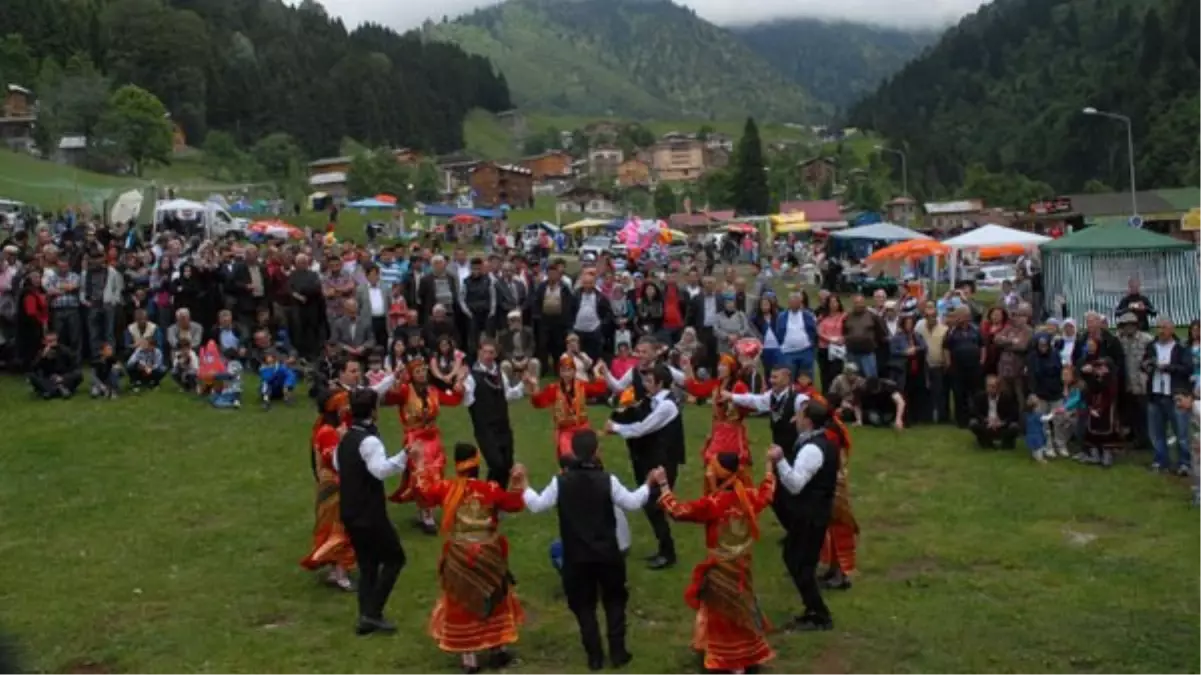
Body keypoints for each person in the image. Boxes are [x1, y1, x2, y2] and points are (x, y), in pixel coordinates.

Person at [520, 430, 650, 671]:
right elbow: (632, 503)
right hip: (607, 554)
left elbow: (537, 505)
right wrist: (649, 484)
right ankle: (618, 652)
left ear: (573, 452)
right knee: (614, 602)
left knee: (584, 606)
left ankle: (595, 657)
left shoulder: (560, 483)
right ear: (597, 451)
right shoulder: (607, 480)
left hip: (576, 555)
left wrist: (524, 484)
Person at [656, 450, 777, 674]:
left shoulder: (714, 503)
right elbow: (767, 493)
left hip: (720, 569)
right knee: (742, 608)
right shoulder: (748, 496)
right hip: (742, 567)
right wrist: (769, 466)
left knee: (722, 614)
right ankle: (746, 655)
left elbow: (677, 511)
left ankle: (731, 660)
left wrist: (663, 484)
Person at [416, 444, 526, 674]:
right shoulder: (490, 489)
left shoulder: (446, 488)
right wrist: (517, 481)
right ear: (477, 464)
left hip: (458, 556)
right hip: (489, 556)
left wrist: (419, 464)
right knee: (494, 597)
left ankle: (469, 659)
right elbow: (515, 504)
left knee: (462, 602)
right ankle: (498, 650)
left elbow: (424, 492)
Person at [336, 388, 409, 635]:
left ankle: (365, 616)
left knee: (367, 564)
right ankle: (373, 613)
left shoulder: (345, 438)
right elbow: (380, 470)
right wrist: (406, 456)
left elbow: (338, 464)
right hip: (369, 512)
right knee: (395, 558)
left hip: (349, 510)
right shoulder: (369, 441)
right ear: (374, 412)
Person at [769, 399, 842, 632]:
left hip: (810, 514)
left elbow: (795, 484)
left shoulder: (812, 449)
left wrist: (779, 460)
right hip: (811, 512)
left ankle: (819, 615)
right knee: (795, 558)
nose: (795, 419)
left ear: (808, 421)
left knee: (801, 563)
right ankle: (814, 610)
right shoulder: (819, 442)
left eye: (799, 415)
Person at [603, 363, 685, 570]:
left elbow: (642, 429)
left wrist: (615, 427)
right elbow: (637, 415)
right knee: (652, 506)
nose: (645, 384)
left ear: (660, 383)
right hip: (653, 459)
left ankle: (668, 553)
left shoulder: (667, 405)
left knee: (655, 505)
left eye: (649, 381)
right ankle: (664, 548)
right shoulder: (653, 400)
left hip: (665, 461)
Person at [381, 356, 465, 534]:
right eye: (417, 372)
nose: (421, 374)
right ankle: (426, 513)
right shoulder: (405, 391)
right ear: (411, 374)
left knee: (436, 472)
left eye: (423, 371)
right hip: (415, 438)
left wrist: (459, 390)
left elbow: (453, 400)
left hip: (433, 437)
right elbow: (386, 399)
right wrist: (392, 381)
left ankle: (428, 509)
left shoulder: (433, 391)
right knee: (421, 473)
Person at [726, 365, 809, 528]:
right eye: (771, 377)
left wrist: (802, 415)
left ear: (787, 378)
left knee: (791, 494)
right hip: (779, 453)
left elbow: (814, 411)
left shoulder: (798, 399)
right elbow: (752, 400)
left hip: (796, 453)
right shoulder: (771, 396)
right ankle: (793, 529)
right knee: (774, 495)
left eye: (776, 377)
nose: (772, 381)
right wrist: (732, 397)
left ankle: (798, 530)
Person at [300, 389, 356, 592]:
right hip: (334, 488)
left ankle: (337, 570)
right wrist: (343, 441)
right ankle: (340, 575)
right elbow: (335, 462)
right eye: (344, 404)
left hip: (340, 485)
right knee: (340, 528)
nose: (348, 407)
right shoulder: (328, 432)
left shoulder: (336, 428)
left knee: (340, 528)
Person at [462, 339, 526, 487]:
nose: (488, 356)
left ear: (496, 354)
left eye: (491, 352)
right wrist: (461, 384)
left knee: (507, 464)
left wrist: (523, 384)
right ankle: (490, 496)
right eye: (485, 352)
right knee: (496, 464)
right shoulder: (472, 377)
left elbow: (508, 394)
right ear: (479, 353)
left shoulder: (499, 373)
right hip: (485, 429)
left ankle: (496, 499)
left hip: (503, 426)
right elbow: (466, 400)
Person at [527, 354, 610, 459]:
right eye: (563, 370)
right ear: (560, 372)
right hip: (565, 431)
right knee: (568, 459)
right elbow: (539, 403)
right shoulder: (553, 389)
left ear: (574, 371)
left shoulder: (581, 385)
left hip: (583, 427)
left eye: (569, 370)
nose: (566, 374)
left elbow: (599, 389)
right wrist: (534, 387)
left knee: (591, 457)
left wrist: (597, 372)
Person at [681, 353, 754, 468]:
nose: (720, 368)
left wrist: (735, 405)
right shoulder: (715, 384)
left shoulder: (738, 386)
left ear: (731, 369)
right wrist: (688, 367)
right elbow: (696, 389)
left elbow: (750, 405)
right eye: (719, 365)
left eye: (724, 365)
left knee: (732, 467)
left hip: (733, 434)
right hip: (718, 432)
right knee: (714, 466)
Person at [1142, 317, 1193, 476]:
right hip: (1155, 393)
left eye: (1164, 327)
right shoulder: (1151, 346)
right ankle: (1160, 461)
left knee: (1181, 432)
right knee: (1157, 432)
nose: (1161, 331)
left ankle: (1185, 462)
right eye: (1158, 327)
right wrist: (1147, 365)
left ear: (1172, 329)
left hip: (1174, 394)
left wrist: (1168, 368)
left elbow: (1187, 368)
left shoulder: (1181, 347)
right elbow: (1143, 364)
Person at [773, 291, 818, 381]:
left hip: (805, 351)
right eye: (792, 302)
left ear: (800, 303)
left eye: (796, 302)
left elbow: (813, 331)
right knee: (788, 379)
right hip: (788, 353)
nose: (794, 304)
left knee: (806, 379)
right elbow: (778, 333)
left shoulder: (808, 315)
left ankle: (806, 395)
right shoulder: (782, 317)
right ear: (788, 303)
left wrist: (811, 345)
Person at [969, 375, 1020, 449]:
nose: (990, 389)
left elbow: (1014, 414)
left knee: (1014, 426)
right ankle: (985, 442)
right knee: (973, 423)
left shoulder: (1006, 398)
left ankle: (1006, 444)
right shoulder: (980, 397)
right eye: (988, 386)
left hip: (1001, 425)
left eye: (993, 387)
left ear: (998, 388)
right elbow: (974, 412)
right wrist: (986, 420)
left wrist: (1002, 422)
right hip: (986, 424)